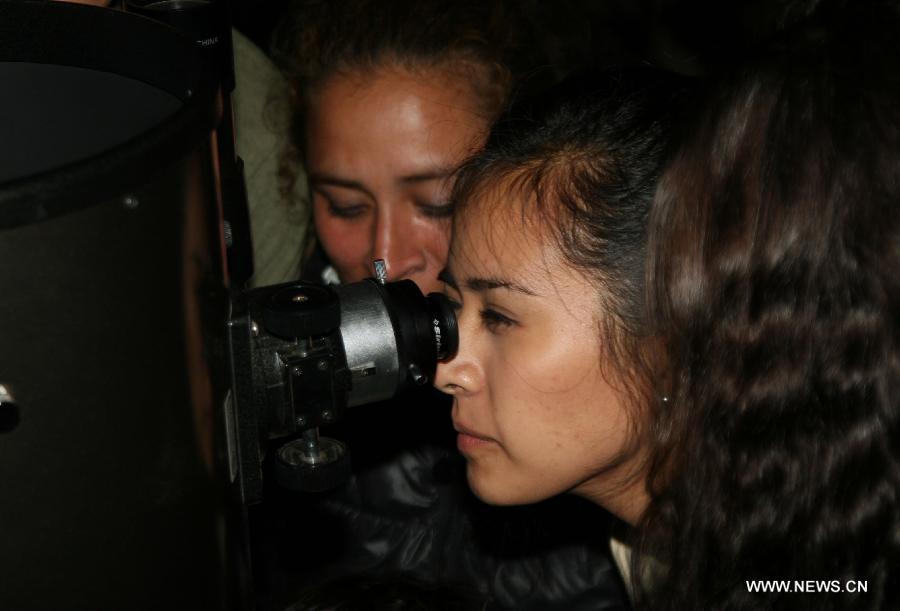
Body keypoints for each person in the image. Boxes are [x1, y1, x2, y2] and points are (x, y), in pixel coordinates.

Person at [437, 3, 899, 611]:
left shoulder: (816, 576)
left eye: (499, 317)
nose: (448, 371)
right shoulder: (656, 546)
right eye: (452, 308)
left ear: (673, 328)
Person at [259, 1, 631, 610]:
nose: (384, 257)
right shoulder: (280, 376)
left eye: (435, 203)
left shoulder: (598, 394)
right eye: (346, 207)